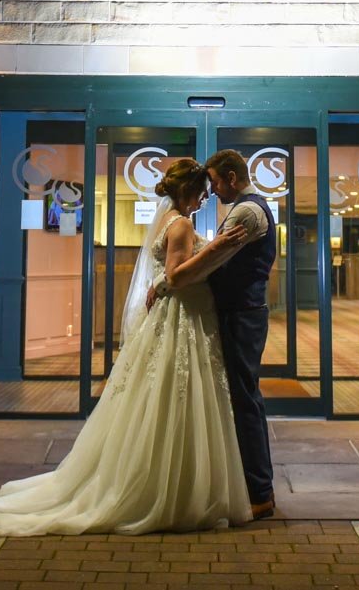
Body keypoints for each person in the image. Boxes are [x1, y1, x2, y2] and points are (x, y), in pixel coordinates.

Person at [0, 158, 251, 536]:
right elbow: (175, 275)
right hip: (182, 321)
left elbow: (165, 277)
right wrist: (217, 247)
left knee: (167, 399)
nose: (207, 196)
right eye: (203, 189)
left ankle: (172, 482)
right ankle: (171, 492)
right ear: (189, 189)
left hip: (180, 318)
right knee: (178, 399)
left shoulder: (170, 218)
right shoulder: (182, 224)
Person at [148, 149, 277, 520]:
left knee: (244, 400)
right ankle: (244, 485)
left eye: (217, 183)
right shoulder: (226, 213)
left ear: (232, 179)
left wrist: (166, 280)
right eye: (207, 186)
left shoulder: (248, 212)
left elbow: (209, 263)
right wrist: (166, 280)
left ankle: (259, 491)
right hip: (232, 313)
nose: (213, 191)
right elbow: (190, 268)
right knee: (236, 399)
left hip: (243, 315)